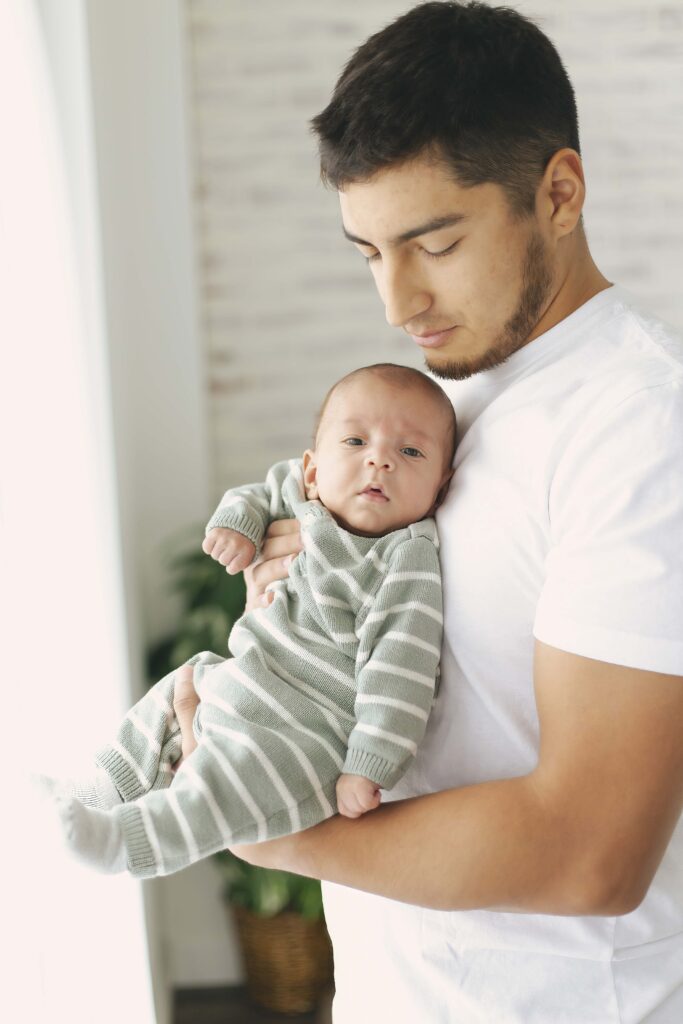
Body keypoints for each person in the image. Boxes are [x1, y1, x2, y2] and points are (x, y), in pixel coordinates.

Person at [181, 3, 683, 1022]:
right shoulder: (438, 400)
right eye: (368, 251)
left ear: (558, 192)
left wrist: (270, 833)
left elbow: (593, 854)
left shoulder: (637, 431)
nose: (396, 302)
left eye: (434, 242)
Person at [44, 363, 456, 878]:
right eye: (355, 441)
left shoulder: (404, 559)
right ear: (312, 469)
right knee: (181, 685)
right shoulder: (303, 497)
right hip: (242, 679)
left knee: (221, 788)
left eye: (410, 451)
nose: (379, 460)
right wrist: (237, 526)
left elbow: (400, 674)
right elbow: (256, 494)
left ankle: (127, 845)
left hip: (305, 733)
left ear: (440, 490)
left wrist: (366, 765)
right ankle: (96, 789)